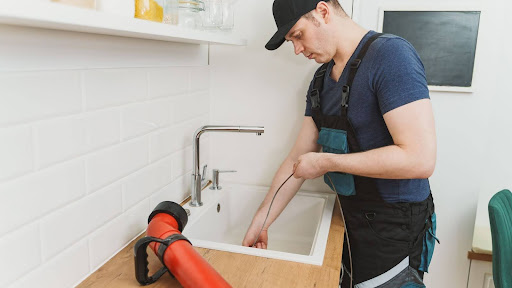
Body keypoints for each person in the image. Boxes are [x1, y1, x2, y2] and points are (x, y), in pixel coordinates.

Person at [241, 0, 439, 287]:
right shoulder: (321, 79)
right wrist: (261, 222)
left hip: (394, 226)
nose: (297, 49)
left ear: (323, 11)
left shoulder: (391, 55)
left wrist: (326, 162)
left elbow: (420, 159)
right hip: (349, 216)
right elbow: (298, 157)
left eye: (298, 35)